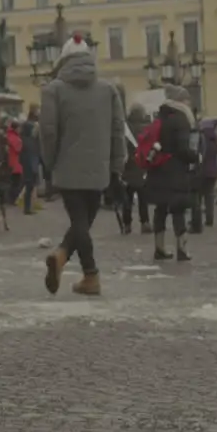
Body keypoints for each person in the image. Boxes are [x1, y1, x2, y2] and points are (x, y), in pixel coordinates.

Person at [38, 34, 125, 295]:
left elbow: (48, 131)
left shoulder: (54, 89)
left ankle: (86, 272)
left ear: (63, 60)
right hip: (100, 168)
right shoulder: (108, 90)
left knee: (79, 221)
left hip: (67, 166)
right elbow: (118, 130)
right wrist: (117, 165)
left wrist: (50, 163)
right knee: (83, 223)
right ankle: (76, 266)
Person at [149, 85, 199, 261]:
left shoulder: (160, 117)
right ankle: (182, 249)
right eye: (187, 99)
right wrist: (195, 157)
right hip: (176, 170)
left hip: (158, 168)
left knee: (161, 209)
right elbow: (183, 148)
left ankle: (159, 248)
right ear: (181, 101)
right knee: (178, 209)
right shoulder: (181, 119)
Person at [122, 104, 152, 233]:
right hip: (142, 168)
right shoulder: (146, 130)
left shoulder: (125, 130)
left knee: (127, 199)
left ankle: (127, 224)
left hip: (128, 167)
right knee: (143, 199)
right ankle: (145, 222)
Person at [193, 118, 217, 232]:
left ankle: (197, 220)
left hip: (201, 170)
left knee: (198, 196)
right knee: (209, 196)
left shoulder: (200, 138)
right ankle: (210, 218)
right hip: (213, 171)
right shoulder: (215, 139)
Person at [18, 115, 42, 215]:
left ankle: (28, 207)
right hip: (30, 167)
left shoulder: (24, 139)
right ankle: (27, 208)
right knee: (29, 187)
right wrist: (34, 169)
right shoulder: (30, 141)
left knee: (29, 187)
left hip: (27, 165)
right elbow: (32, 155)